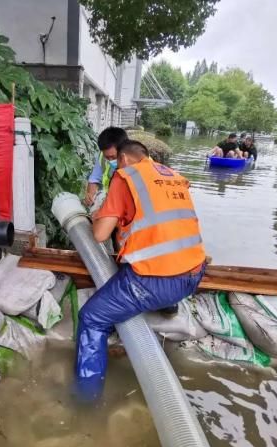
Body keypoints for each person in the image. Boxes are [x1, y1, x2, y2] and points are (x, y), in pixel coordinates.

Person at [76, 139, 206, 400]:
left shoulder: (125, 177)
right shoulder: (173, 176)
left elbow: (101, 234)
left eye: (113, 160)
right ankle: (167, 305)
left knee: (91, 318)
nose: (113, 165)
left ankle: (85, 398)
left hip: (156, 280)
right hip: (194, 272)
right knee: (128, 268)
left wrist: (95, 214)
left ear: (123, 159)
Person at [83, 127, 128, 207]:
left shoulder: (139, 163)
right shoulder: (102, 157)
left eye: (113, 157)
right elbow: (94, 179)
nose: (110, 160)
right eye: (107, 157)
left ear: (124, 150)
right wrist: (90, 196)